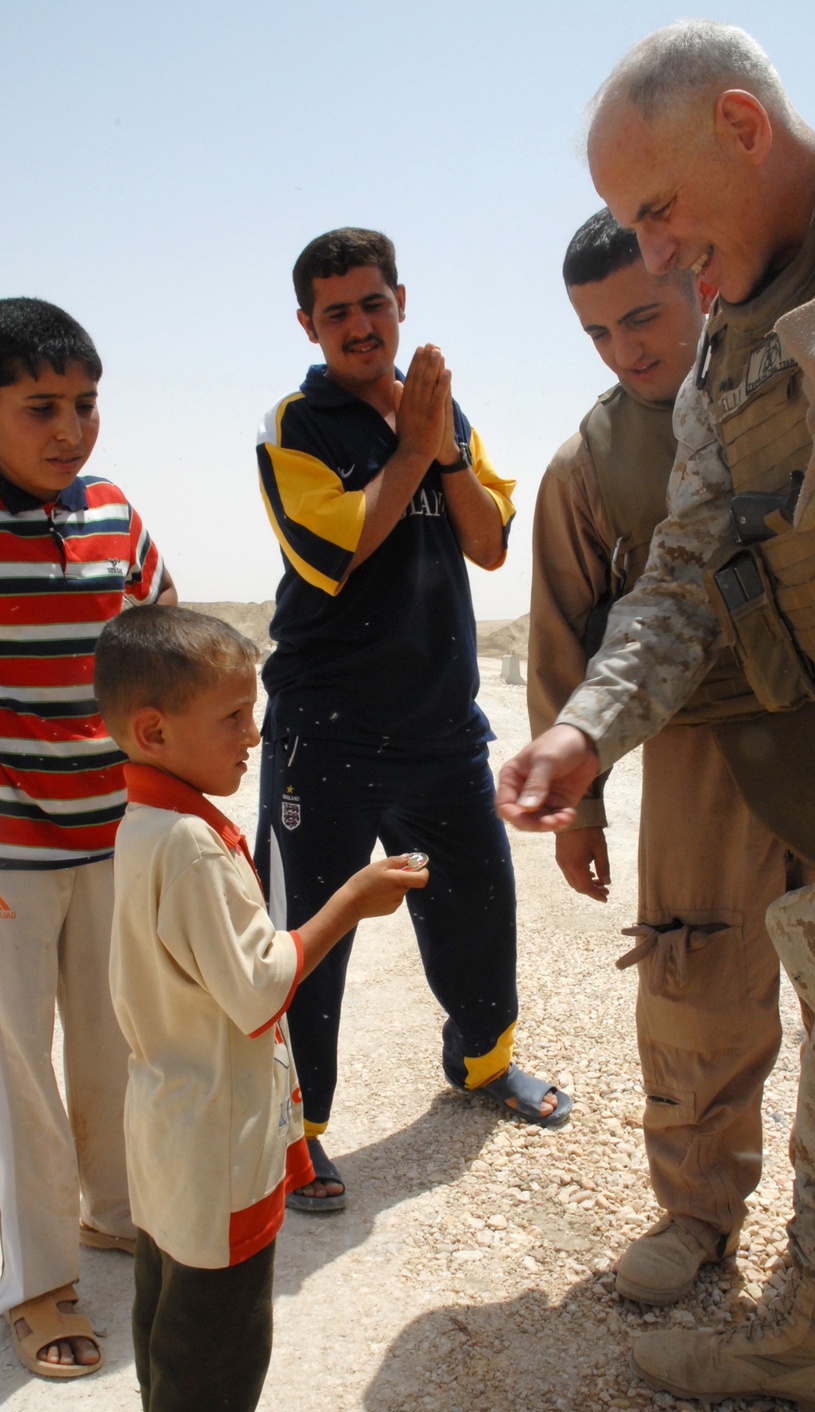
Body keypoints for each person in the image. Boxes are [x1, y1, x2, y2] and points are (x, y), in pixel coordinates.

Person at [498, 21, 815, 1412]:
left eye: (660, 209)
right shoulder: (723, 356)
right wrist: (584, 735)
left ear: (745, 128)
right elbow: (679, 578)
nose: (658, 251)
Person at [529, 207, 815, 1305]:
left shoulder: (796, 383)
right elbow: (564, 639)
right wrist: (579, 810)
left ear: (693, 284)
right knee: (693, 988)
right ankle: (696, 1215)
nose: (628, 347)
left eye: (643, 315)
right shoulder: (588, 462)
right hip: (696, 752)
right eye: (599, 333)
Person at [254, 227, 572, 1210]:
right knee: (305, 939)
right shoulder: (294, 426)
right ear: (308, 324)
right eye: (336, 310)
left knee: (478, 908)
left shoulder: (441, 414)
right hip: (327, 732)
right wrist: (411, 449)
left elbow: (485, 543)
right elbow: (338, 553)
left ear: (401, 304)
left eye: (372, 303)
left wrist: (441, 451)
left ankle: (481, 1063)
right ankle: (292, 1130)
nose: (358, 324)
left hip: (440, 730)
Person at [95, 605, 427, 1412]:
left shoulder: (143, 825)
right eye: (233, 717)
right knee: (222, 1339)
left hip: (168, 1128)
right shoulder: (195, 848)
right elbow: (261, 988)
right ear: (155, 730)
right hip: (218, 1143)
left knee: (164, 1311)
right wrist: (352, 897)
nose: (257, 734)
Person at [0, 297, 175, 1378]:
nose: (71, 430)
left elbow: (162, 648)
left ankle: (116, 1212)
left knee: (117, 1041)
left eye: (85, 405)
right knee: (12, 1069)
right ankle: (37, 1284)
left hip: (111, 841)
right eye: (41, 407)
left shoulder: (115, 513)